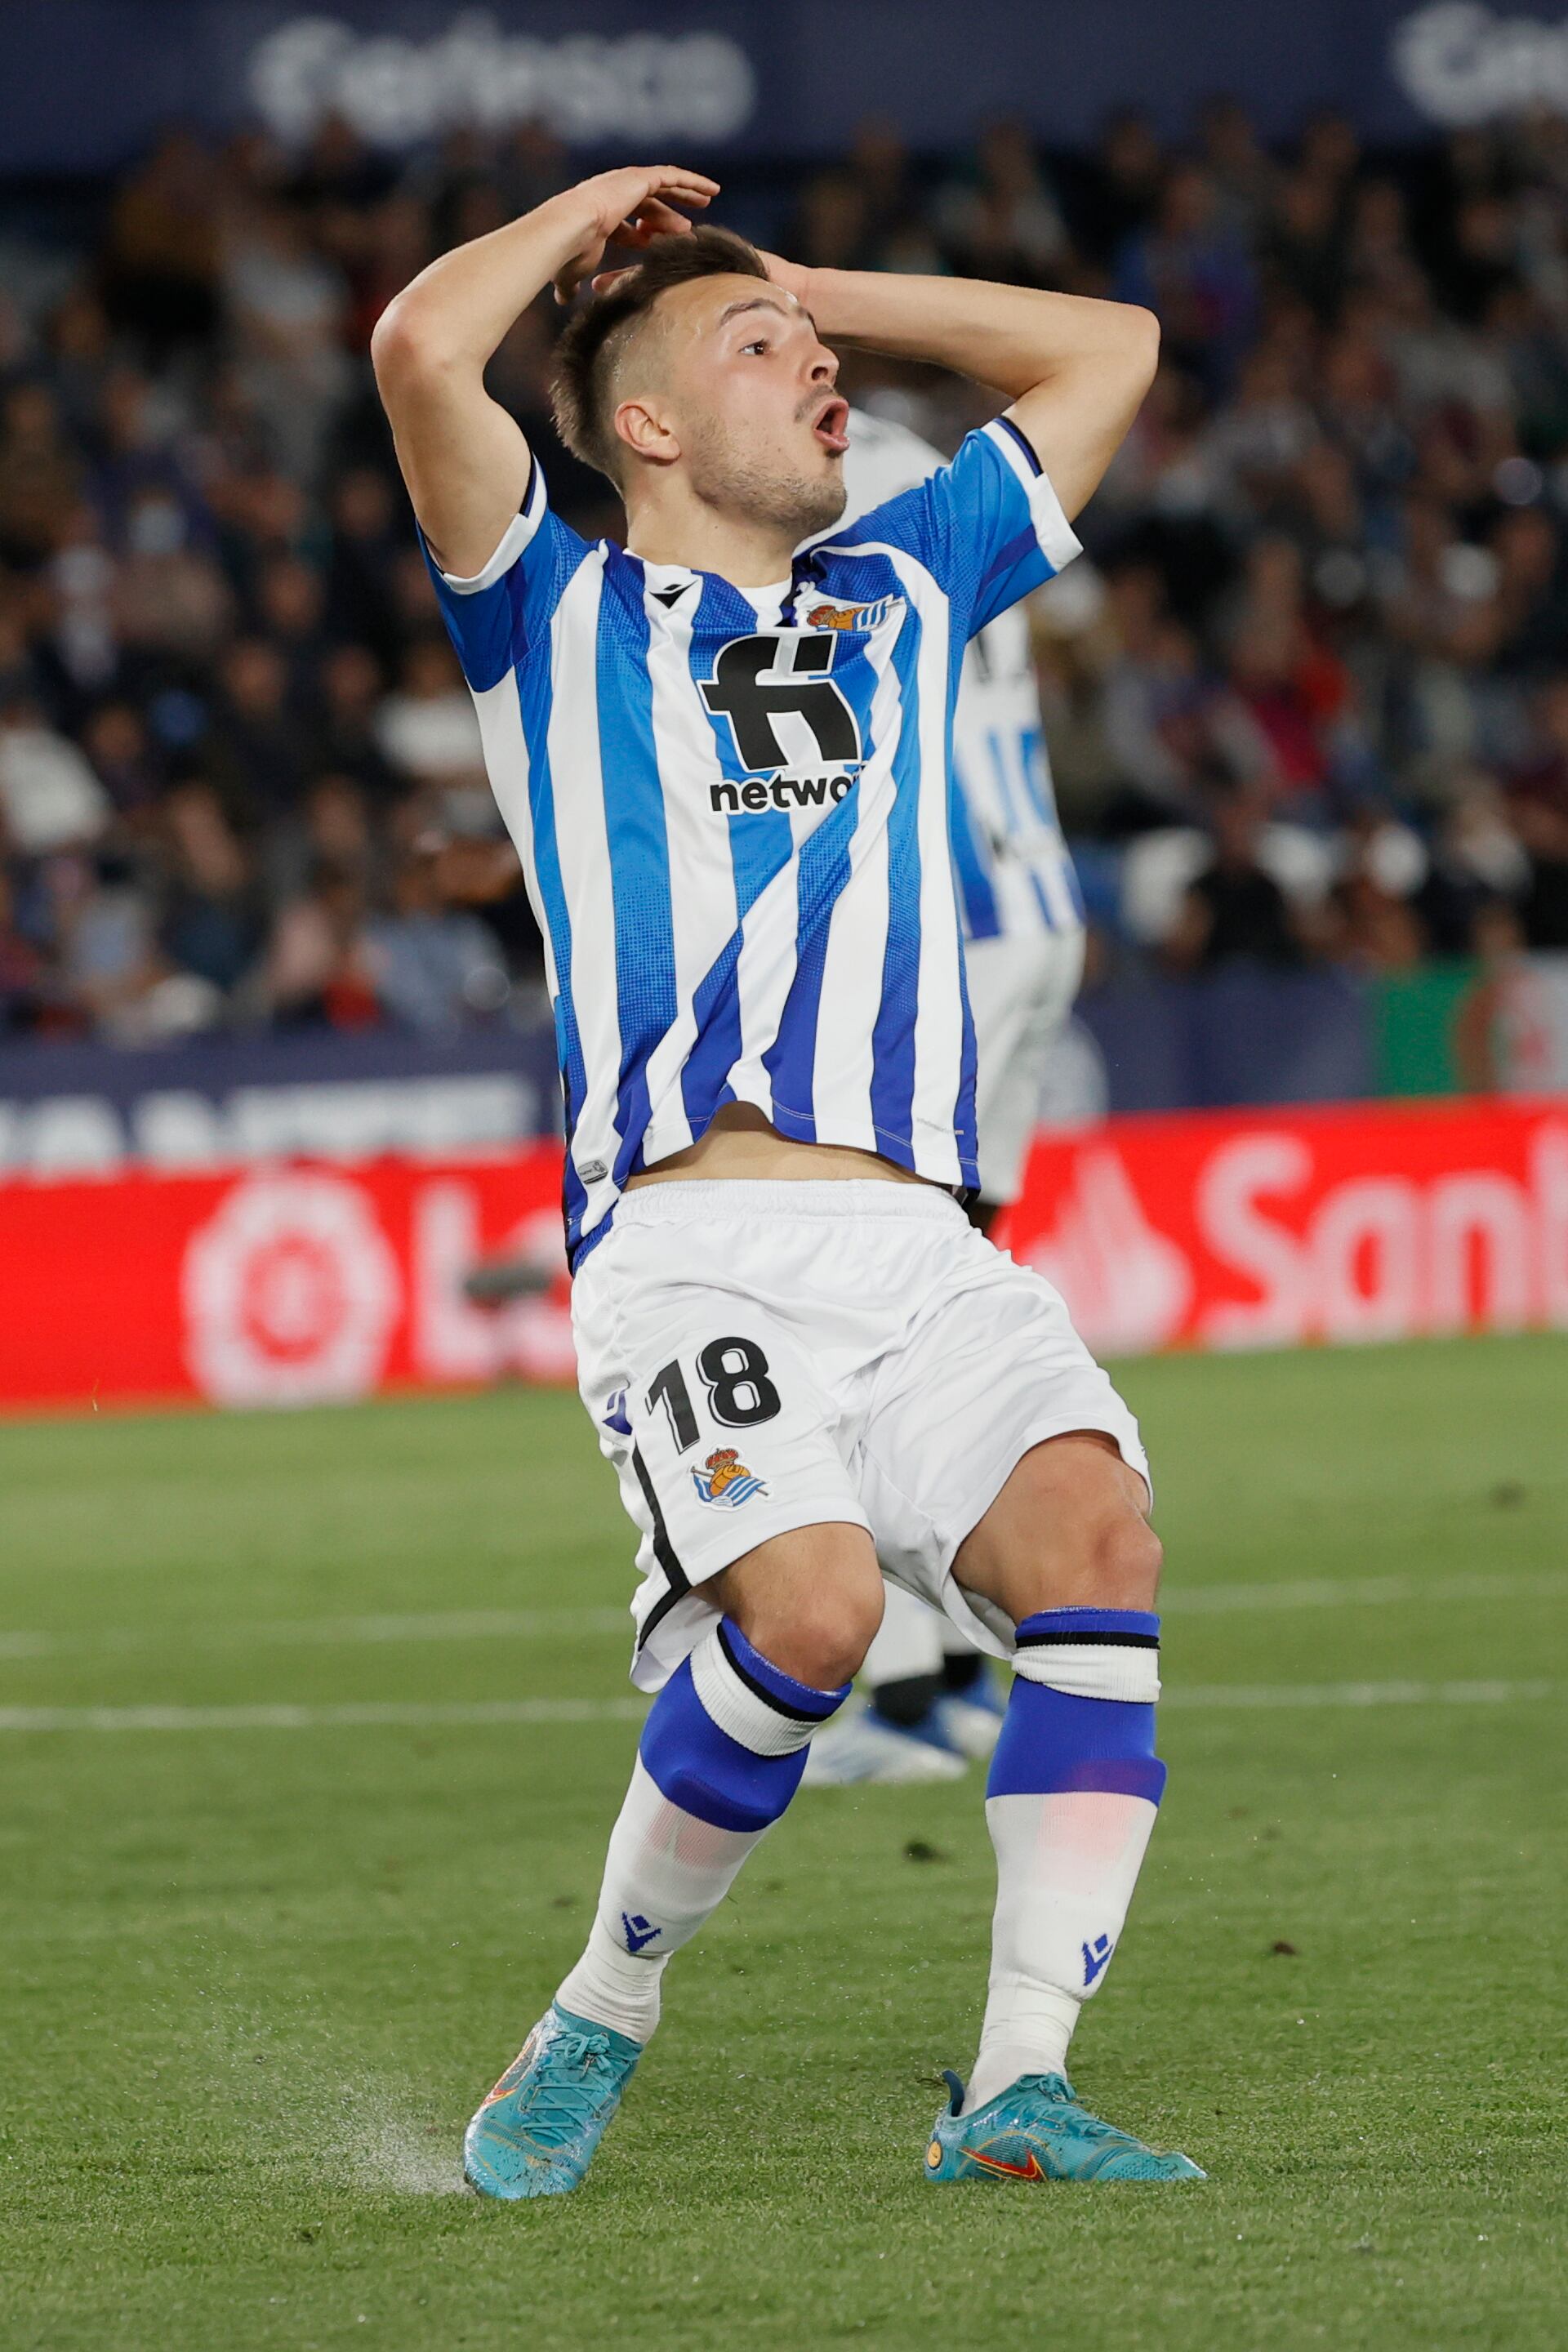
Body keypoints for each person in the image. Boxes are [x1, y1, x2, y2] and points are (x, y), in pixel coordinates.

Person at [373, 163, 1200, 2198]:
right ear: (646, 424)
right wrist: (596, 218)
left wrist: (804, 283)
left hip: (921, 1236)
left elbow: (1112, 349)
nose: (822, 372)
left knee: (1096, 1543)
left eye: (820, 353)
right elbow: (420, 346)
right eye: (764, 354)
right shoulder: (551, 613)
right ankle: (600, 2012)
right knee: (813, 1617)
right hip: (694, 1241)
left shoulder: (905, 583)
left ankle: (1016, 2089)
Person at [806, 406, 1089, 1784]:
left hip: (951, 929)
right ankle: (967, 1670)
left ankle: (912, 1692)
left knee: (868, 1311)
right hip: (1038, 908)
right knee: (957, 1291)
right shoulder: (943, 468)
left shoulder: (834, 482)